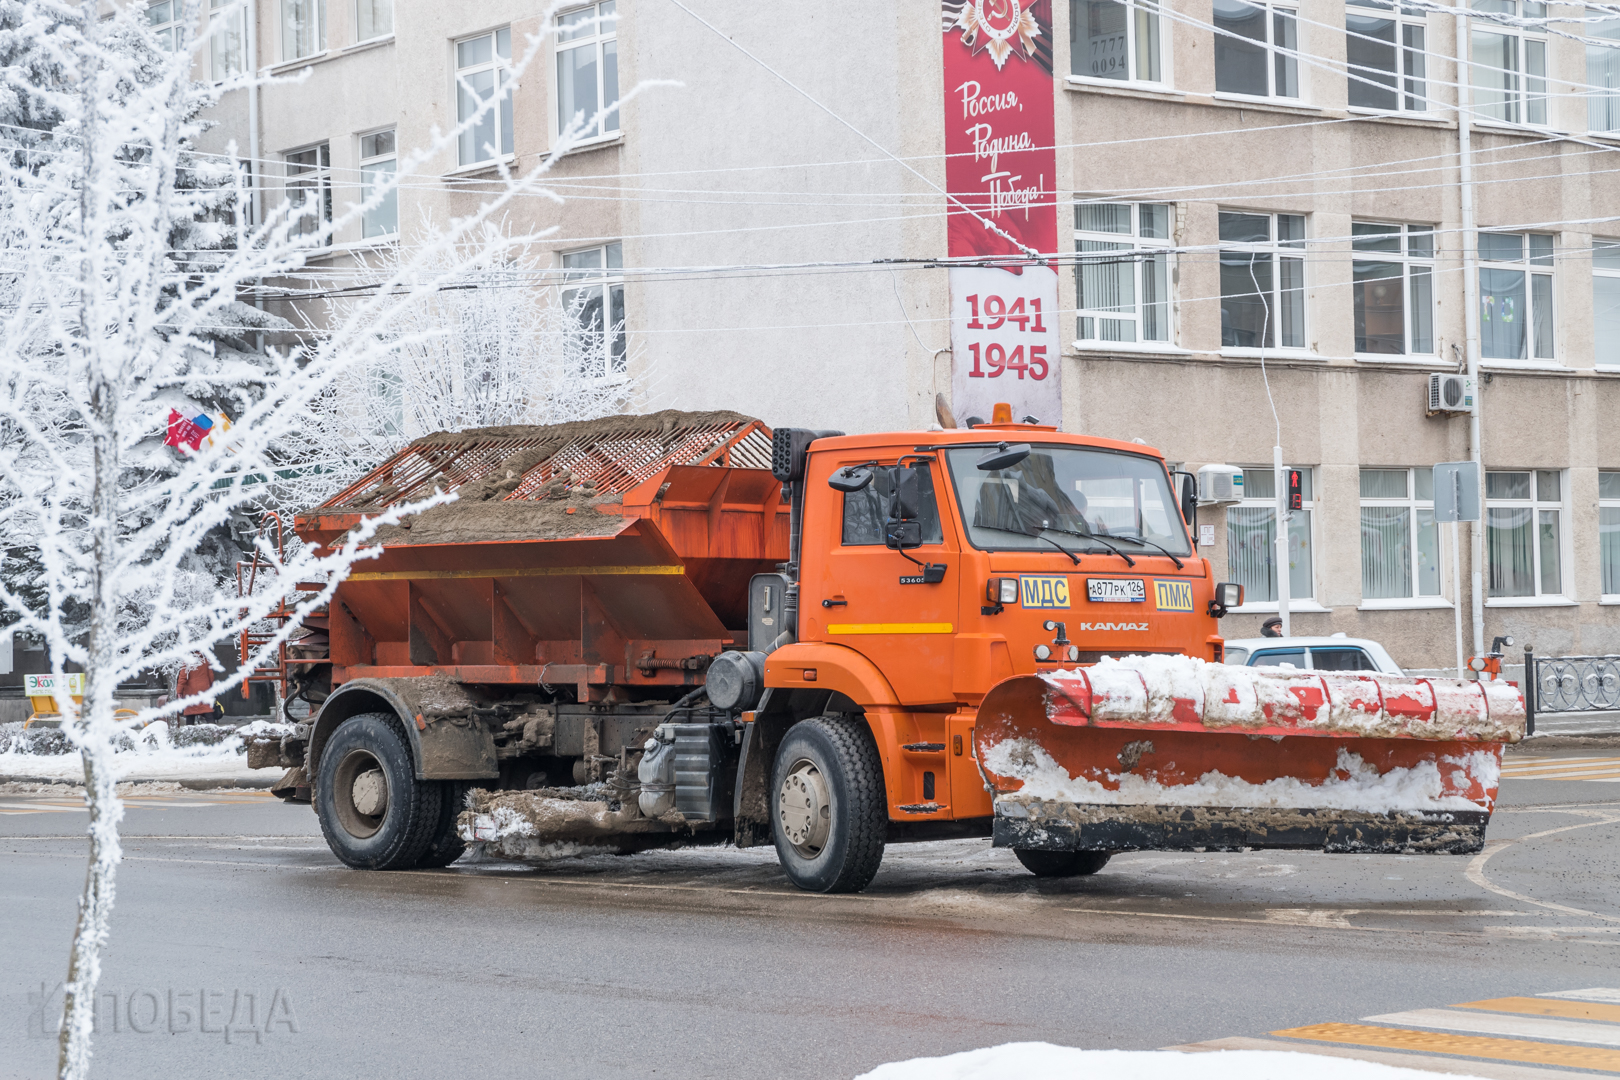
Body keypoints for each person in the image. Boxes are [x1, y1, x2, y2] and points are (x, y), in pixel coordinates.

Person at [174, 654, 218, 725]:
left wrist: (179, 691)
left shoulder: (187, 661)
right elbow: (211, 676)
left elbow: (182, 678)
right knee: (207, 710)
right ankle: (213, 730)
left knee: (190, 712)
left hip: (191, 691)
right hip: (204, 689)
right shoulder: (205, 660)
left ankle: (189, 732)